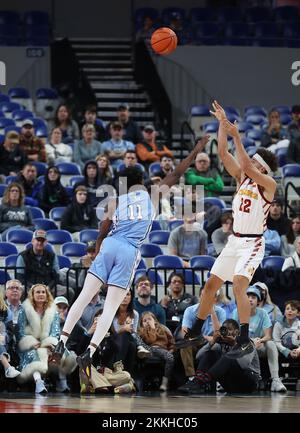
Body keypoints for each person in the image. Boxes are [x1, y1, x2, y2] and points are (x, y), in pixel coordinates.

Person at [49, 135, 210, 380]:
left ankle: (62, 341)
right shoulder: (152, 194)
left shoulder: (115, 199)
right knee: (111, 307)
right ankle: (89, 353)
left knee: (83, 297)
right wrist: (197, 148)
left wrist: (100, 252)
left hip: (111, 244)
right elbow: (177, 172)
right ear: (142, 182)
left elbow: (102, 230)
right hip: (129, 249)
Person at [178, 101, 278, 359]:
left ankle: (244, 339)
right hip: (235, 241)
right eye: (252, 163)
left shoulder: (268, 184)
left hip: (253, 243)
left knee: (238, 286)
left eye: (256, 163)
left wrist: (238, 137)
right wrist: (223, 127)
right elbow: (223, 153)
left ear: (263, 169)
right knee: (211, 284)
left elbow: (244, 164)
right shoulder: (242, 179)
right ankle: (196, 330)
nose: (251, 165)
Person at [177, 319, 261, 394]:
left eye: (229, 329)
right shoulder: (222, 344)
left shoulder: (246, 342)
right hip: (231, 384)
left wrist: (234, 344)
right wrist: (212, 342)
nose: (226, 332)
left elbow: (244, 364)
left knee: (228, 357)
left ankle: (200, 383)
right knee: (211, 353)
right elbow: (198, 357)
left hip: (248, 382)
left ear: (237, 332)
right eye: (224, 329)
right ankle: (199, 381)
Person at [232, 286, 286, 392]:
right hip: (242, 345)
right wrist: (249, 341)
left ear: (258, 301)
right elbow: (233, 333)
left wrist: (260, 341)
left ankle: (275, 380)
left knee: (270, 344)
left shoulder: (263, 313)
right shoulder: (236, 312)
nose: (250, 299)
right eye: (248, 296)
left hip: (258, 345)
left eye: (253, 297)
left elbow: (268, 335)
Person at [17, 284, 61, 394]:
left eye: (43, 292)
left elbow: (55, 332)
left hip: (48, 344)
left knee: (63, 352)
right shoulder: (24, 310)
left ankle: (63, 383)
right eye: (37, 292)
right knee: (33, 353)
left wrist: (47, 343)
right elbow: (20, 332)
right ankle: (38, 382)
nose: (41, 294)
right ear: (32, 295)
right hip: (29, 345)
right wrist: (32, 343)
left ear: (47, 295)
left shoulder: (53, 311)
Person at [138, 311, 175, 391]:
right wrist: (152, 329)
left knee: (170, 357)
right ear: (142, 324)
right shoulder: (142, 331)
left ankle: (165, 382)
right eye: (144, 321)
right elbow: (151, 340)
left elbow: (171, 340)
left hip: (163, 350)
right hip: (149, 349)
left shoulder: (163, 328)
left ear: (154, 320)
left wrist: (171, 349)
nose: (147, 322)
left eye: (149, 319)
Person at [0, 291, 20, 379]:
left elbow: (10, 332)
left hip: (3, 342)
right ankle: (7, 367)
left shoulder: (6, 311)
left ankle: (8, 368)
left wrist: (4, 335)